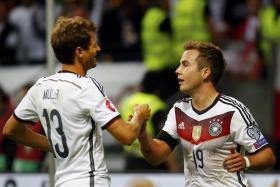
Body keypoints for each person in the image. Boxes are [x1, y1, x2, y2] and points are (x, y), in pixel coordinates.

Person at [3, 16, 150, 187]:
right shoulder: (85, 87)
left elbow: (10, 130)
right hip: (89, 181)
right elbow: (126, 136)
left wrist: (55, 145)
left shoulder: (40, 87)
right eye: (94, 45)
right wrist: (139, 115)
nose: (98, 49)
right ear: (79, 52)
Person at [138, 40, 276, 187]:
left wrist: (246, 161)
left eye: (185, 64)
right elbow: (156, 156)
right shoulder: (178, 110)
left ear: (205, 72)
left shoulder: (232, 110)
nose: (177, 70)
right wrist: (142, 133)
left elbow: (268, 156)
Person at [120, 71, 177, 172]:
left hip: (131, 161)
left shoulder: (128, 101)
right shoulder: (157, 105)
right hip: (152, 161)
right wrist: (173, 167)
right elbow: (164, 140)